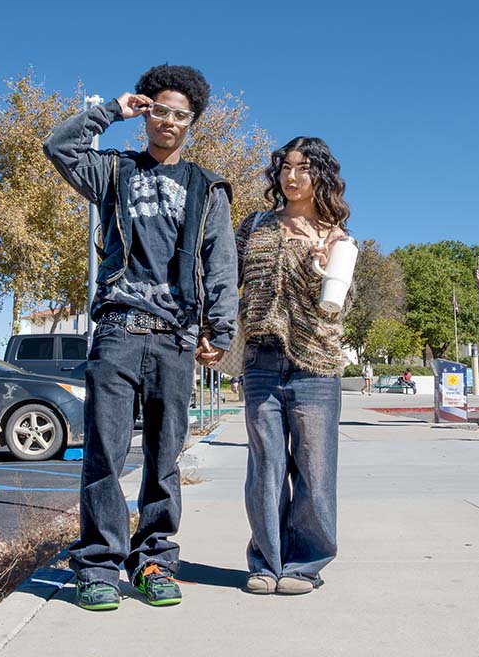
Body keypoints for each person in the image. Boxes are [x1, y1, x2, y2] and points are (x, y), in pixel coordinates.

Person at [43, 64, 237, 611]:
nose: (169, 122)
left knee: (165, 455)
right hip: (119, 330)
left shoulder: (206, 187)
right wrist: (111, 110)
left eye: (181, 114)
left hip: (176, 337)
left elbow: (220, 263)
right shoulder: (115, 172)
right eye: (160, 111)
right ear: (146, 113)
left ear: (191, 121)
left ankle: (153, 559)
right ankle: (100, 565)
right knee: (104, 452)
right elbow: (58, 147)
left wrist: (219, 329)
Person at [236, 136, 350, 595]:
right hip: (262, 359)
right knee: (264, 468)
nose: (292, 176)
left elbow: (339, 307)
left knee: (314, 470)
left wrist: (324, 269)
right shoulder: (256, 226)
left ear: (320, 174)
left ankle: (304, 564)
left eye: (303, 168)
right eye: (285, 167)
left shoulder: (337, 237)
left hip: (317, 366)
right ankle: (266, 561)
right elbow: (226, 280)